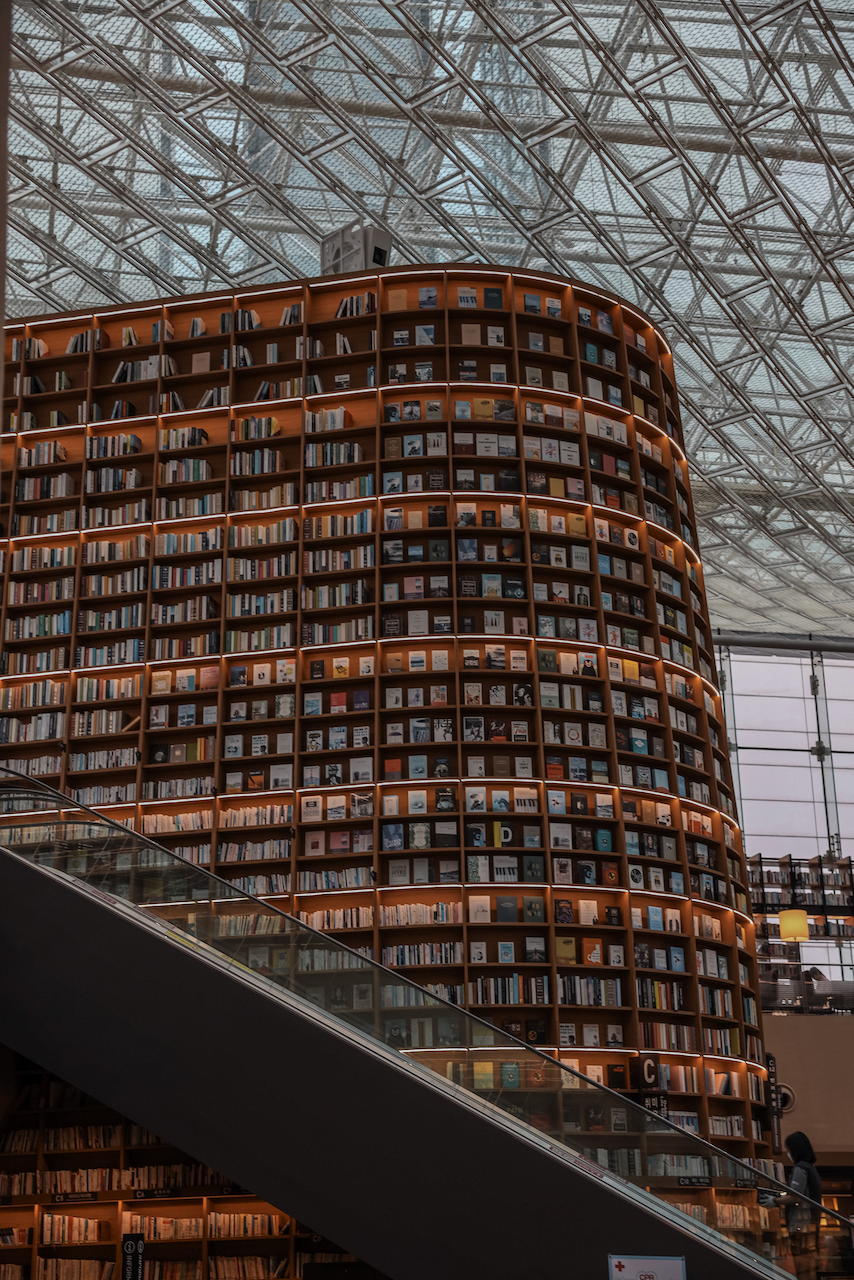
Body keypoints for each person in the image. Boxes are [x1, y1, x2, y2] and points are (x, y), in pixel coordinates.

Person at [781, 1131, 822, 1280]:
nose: (788, 1153)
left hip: (801, 1225)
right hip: (812, 1224)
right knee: (810, 1267)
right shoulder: (812, 1169)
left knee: (802, 1268)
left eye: (789, 1149)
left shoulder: (801, 1169)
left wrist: (774, 1200)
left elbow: (795, 1196)